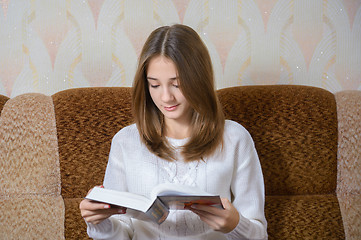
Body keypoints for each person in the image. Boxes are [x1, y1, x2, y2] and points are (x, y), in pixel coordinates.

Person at [80, 24, 267, 240]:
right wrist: (99, 222)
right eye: (155, 85)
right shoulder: (126, 141)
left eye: (176, 84)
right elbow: (122, 233)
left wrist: (235, 224)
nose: (166, 97)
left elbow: (259, 235)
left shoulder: (235, 138)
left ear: (199, 80)